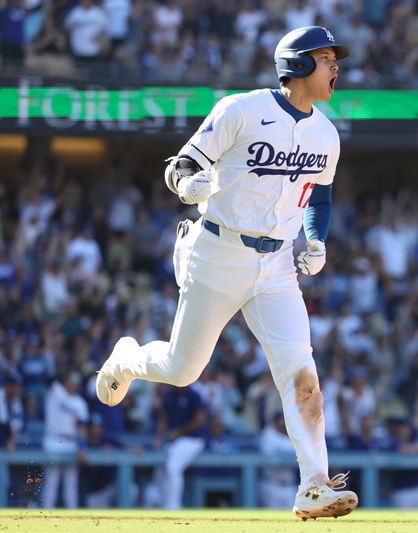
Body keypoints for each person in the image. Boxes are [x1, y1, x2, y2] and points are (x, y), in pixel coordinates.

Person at [94, 25, 357, 520]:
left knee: (304, 378)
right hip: (218, 251)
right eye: (325, 58)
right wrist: (187, 186)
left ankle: (314, 486)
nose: (335, 66)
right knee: (181, 370)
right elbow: (182, 165)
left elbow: (318, 195)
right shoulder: (240, 108)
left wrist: (316, 238)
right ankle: (127, 360)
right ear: (296, 66)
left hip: (277, 265)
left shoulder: (326, 133)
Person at [153, 383, 209, 509]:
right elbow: (163, 419)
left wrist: (179, 432)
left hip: (193, 440)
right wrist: (159, 439)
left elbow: (200, 419)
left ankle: (174, 506)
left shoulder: (193, 395)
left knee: (173, 467)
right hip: (174, 442)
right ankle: (163, 504)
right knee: (160, 472)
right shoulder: (169, 395)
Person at [42, 370, 88, 509]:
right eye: (71, 381)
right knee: (51, 482)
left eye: (76, 382)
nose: (73, 384)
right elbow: (47, 377)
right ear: (66, 381)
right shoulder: (55, 392)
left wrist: (82, 448)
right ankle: (44, 515)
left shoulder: (80, 403)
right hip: (52, 440)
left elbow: (82, 428)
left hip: (71, 443)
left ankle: (72, 516)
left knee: (71, 483)